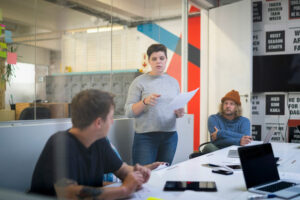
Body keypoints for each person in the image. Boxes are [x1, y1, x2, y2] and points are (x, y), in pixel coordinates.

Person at [29, 89, 152, 199]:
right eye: (110, 118)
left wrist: (136, 173)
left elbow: (122, 170)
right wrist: (124, 190)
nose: (112, 122)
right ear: (98, 122)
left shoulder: (99, 141)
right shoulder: (61, 144)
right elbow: (69, 194)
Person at [124, 43, 184, 166]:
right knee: (143, 176)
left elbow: (176, 109)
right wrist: (144, 102)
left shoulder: (174, 82)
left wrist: (179, 113)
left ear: (166, 60)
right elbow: (128, 111)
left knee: (164, 173)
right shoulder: (139, 82)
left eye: (162, 58)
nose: (158, 62)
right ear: (149, 61)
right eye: (154, 59)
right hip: (146, 138)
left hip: (170, 137)